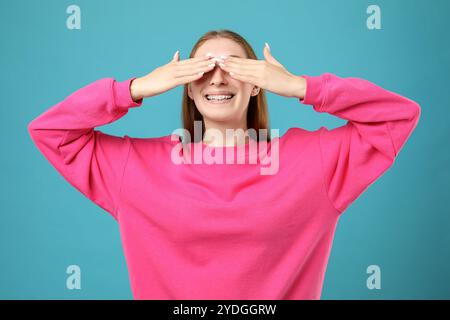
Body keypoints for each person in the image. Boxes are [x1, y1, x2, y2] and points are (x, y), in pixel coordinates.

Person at [28, 29, 421, 300]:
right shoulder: (136, 167)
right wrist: (134, 88)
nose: (216, 78)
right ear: (187, 85)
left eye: (233, 67)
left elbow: (397, 117)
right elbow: (50, 131)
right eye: (202, 68)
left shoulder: (313, 161)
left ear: (256, 84)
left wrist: (302, 86)